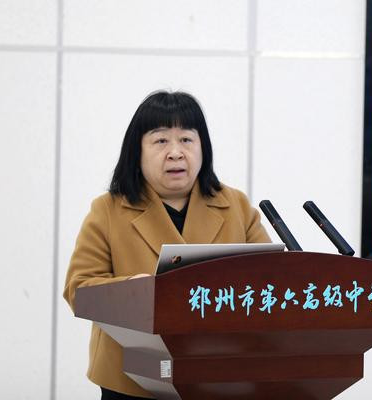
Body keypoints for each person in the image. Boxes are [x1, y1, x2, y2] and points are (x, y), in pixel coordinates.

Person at [63, 91, 271, 399]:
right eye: (160, 141)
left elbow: (270, 282)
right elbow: (78, 291)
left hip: (217, 373)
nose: (175, 153)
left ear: (203, 147)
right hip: (133, 379)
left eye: (186, 140)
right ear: (137, 151)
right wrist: (132, 291)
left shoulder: (236, 206)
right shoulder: (108, 210)